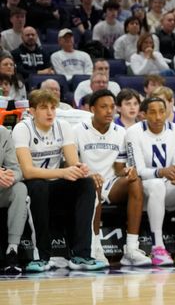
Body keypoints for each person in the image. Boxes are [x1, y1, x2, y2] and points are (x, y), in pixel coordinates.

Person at [14, 89, 105, 272]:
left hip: (56, 183)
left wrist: (82, 170)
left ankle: (81, 255)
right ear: (32, 111)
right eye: (43, 108)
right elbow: (28, 171)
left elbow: (72, 162)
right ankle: (41, 257)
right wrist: (63, 172)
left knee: (86, 184)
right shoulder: (22, 129)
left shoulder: (63, 126)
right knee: (38, 187)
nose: (49, 112)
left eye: (53, 108)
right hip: (32, 185)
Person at [75, 90, 150, 267]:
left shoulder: (121, 132)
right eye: (103, 107)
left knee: (135, 181)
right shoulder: (77, 130)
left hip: (111, 183)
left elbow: (120, 167)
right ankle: (95, 248)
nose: (109, 111)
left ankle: (131, 248)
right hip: (86, 181)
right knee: (94, 183)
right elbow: (70, 163)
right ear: (92, 109)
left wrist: (127, 172)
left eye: (112, 107)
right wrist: (88, 175)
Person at [127, 96, 175, 266]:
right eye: (152, 112)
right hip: (144, 188)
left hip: (166, 184)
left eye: (162, 112)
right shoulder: (134, 132)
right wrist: (162, 172)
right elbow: (137, 171)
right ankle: (157, 247)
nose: (158, 117)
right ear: (143, 114)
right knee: (157, 184)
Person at [0, 125, 27, 274]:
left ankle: (12, 250)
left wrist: (8, 177)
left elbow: (17, 170)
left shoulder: (3, 133)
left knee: (20, 188)